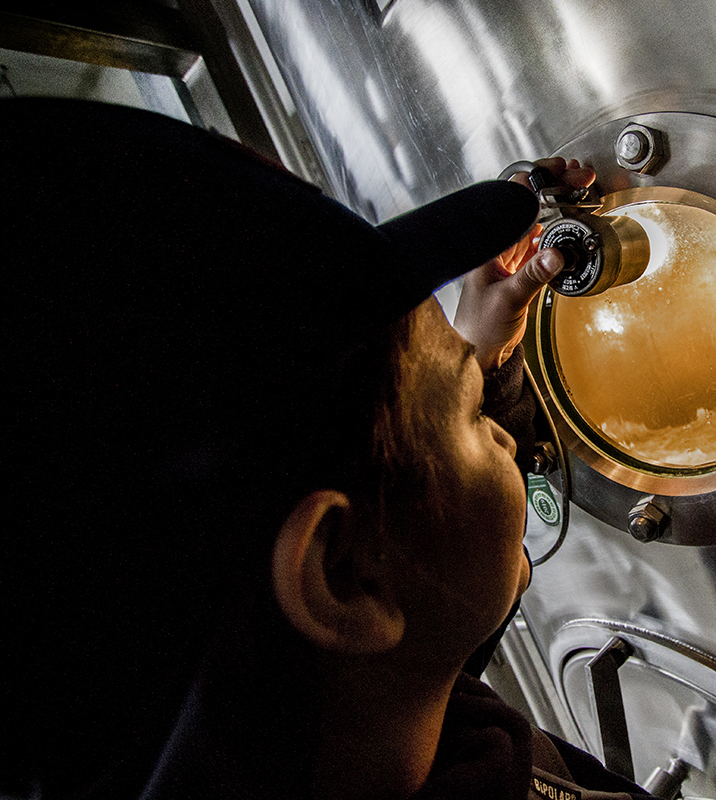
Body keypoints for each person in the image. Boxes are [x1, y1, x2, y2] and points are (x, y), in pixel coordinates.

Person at [1, 98, 653, 800]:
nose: (498, 433)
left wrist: (480, 369)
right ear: (342, 572)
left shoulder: (349, 722)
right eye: (470, 417)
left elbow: (413, 607)